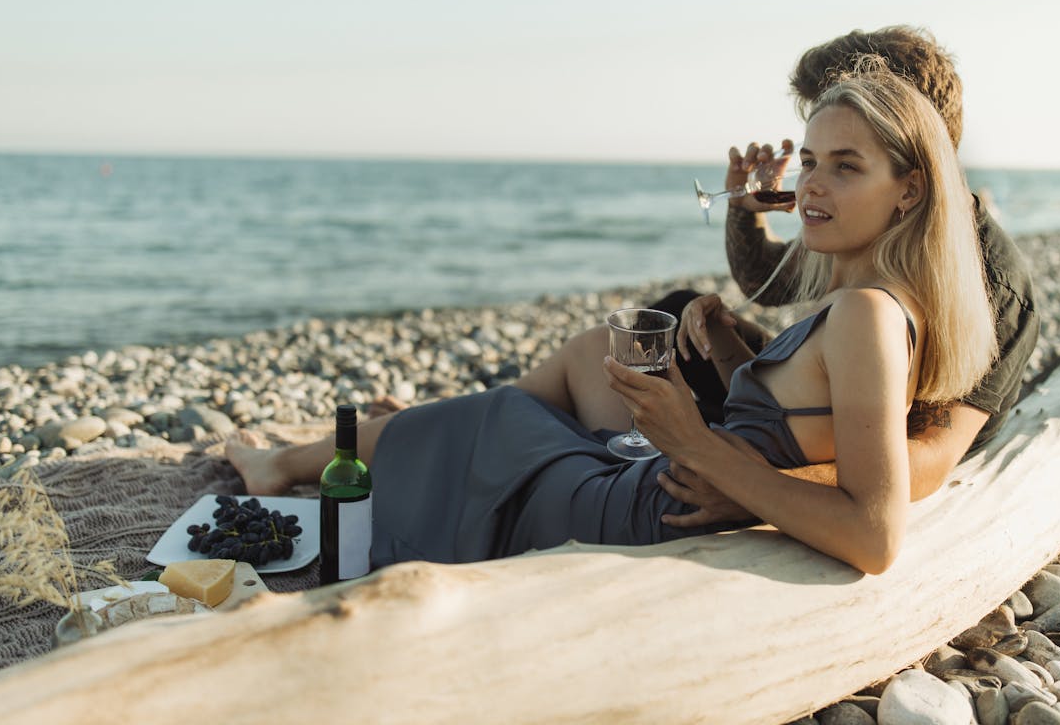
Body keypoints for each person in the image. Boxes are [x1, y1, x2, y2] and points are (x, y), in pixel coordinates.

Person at [230, 63, 997, 574]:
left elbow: (874, 534)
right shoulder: (873, 297)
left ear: (909, 189)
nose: (812, 186)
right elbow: (802, 423)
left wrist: (692, 438)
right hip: (668, 485)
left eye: (847, 165)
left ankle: (292, 464)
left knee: (500, 418)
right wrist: (733, 354)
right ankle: (325, 455)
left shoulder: (866, 312)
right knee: (569, 371)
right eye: (811, 160)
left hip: (645, 513)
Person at [509, 26, 1037, 526]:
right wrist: (748, 209)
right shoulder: (870, 231)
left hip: (826, 469)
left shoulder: (993, 282)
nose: (829, 120)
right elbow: (770, 282)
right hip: (801, 427)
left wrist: (749, 488)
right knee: (675, 312)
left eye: (847, 154)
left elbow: (926, 459)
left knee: (518, 435)